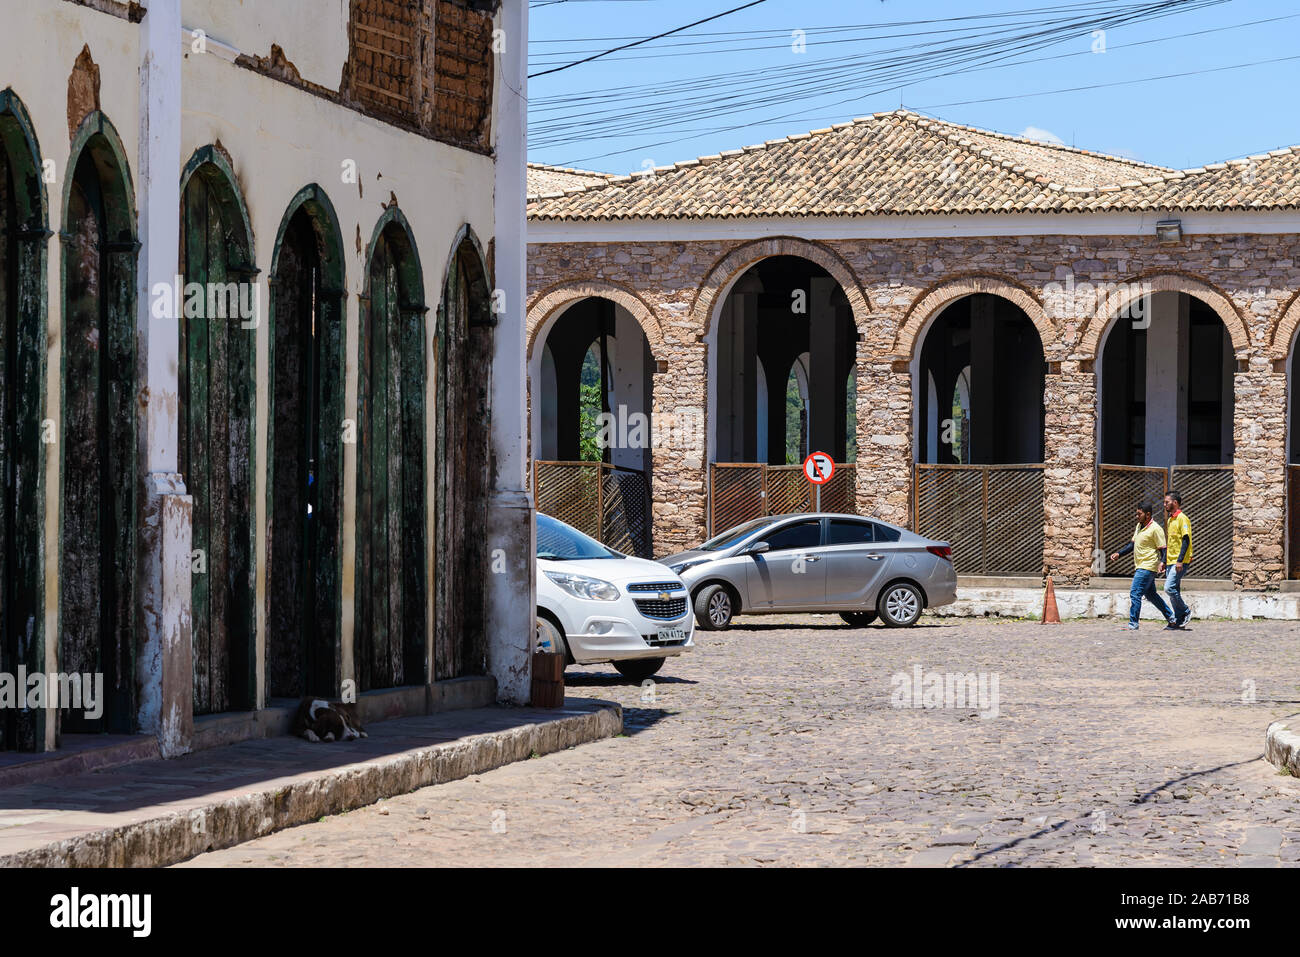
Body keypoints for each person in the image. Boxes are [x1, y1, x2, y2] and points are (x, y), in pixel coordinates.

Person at [1109, 502, 1177, 632]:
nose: (1136, 516)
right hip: (1141, 565)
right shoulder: (1139, 526)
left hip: (1148, 565)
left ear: (1148, 514)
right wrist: (1119, 553)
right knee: (1151, 595)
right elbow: (1132, 545)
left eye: (1139, 514)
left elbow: (1164, 548)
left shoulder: (1156, 529)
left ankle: (1133, 623)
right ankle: (1172, 618)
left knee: (1135, 593)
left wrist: (1163, 562)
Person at [1158, 491, 1193, 629]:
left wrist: (1179, 561)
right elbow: (1170, 542)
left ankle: (1185, 611)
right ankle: (1179, 621)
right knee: (1174, 591)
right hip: (1170, 561)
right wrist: (1164, 560)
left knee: (1169, 588)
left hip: (1180, 561)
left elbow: (1186, 540)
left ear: (1175, 503)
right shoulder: (1170, 520)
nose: (1164, 504)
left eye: (1167, 502)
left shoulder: (1182, 519)